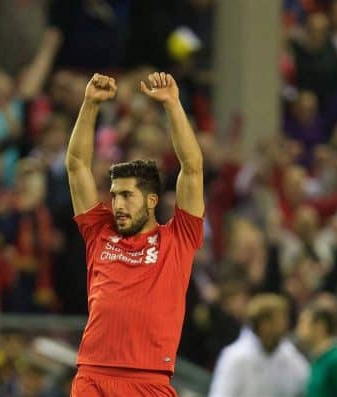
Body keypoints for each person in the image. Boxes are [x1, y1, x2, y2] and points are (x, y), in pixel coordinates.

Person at [65, 72, 204, 397]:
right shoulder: (99, 232)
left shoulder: (179, 238)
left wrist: (172, 104)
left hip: (149, 381)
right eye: (114, 195)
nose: (117, 204)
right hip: (93, 376)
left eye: (127, 195)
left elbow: (193, 168)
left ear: (152, 200)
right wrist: (89, 105)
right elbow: (76, 165)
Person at [208, 293, 309, 397]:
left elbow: (307, 383)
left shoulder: (288, 354)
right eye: (280, 320)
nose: (286, 325)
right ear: (265, 324)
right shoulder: (235, 357)